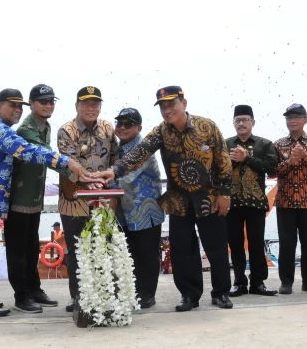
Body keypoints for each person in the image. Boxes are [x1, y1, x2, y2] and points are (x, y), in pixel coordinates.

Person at [0, 88, 94, 318]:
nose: (18, 111)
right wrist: (68, 162)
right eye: (13, 106)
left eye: (20, 107)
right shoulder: (0, 131)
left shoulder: (4, 129)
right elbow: (27, 151)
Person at [96, 86, 233, 311]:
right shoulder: (161, 131)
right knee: (182, 250)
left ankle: (221, 293)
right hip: (178, 201)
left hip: (209, 198)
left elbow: (223, 160)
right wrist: (115, 170)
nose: (167, 110)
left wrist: (225, 193)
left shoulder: (206, 126)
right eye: (162, 106)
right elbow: (141, 152)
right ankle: (189, 295)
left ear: (184, 103)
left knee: (216, 247)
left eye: (171, 105)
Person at [6, 84, 73, 313]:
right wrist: (77, 174)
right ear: (32, 104)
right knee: (17, 250)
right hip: (18, 198)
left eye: (51, 101)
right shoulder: (26, 129)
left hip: (34, 199)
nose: (48, 105)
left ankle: (34, 288)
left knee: (31, 246)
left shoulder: (46, 127)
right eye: (43, 101)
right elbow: (45, 155)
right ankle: (21, 295)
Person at [57, 86, 119, 312]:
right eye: (86, 103)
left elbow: (115, 159)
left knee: (104, 246)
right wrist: (86, 182)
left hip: (103, 199)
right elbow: (68, 163)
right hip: (74, 200)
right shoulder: (66, 130)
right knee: (77, 250)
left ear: (100, 107)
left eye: (95, 104)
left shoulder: (108, 128)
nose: (91, 108)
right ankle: (78, 296)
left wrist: (108, 178)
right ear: (77, 106)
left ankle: (104, 295)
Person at [111, 108, 165, 308]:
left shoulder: (144, 148)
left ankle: (147, 294)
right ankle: (132, 292)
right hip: (125, 211)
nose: (122, 128)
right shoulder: (117, 147)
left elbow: (125, 177)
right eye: (119, 123)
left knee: (147, 254)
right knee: (130, 253)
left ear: (139, 127)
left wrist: (95, 182)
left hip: (146, 210)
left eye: (128, 124)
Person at [225, 105, 278, 297]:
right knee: (236, 244)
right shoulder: (225, 144)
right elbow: (218, 170)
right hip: (232, 203)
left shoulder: (264, 144)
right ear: (233, 123)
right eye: (237, 120)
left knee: (256, 244)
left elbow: (272, 168)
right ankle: (239, 282)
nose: (241, 123)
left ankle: (258, 283)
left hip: (256, 203)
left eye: (245, 120)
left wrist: (247, 158)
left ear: (252, 122)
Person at [274, 103, 307, 294]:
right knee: (286, 243)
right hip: (286, 201)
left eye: (297, 117)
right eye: (289, 117)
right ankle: (286, 282)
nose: (292, 120)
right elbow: (272, 170)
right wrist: (290, 161)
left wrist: (306, 157)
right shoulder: (277, 144)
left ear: (305, 120)